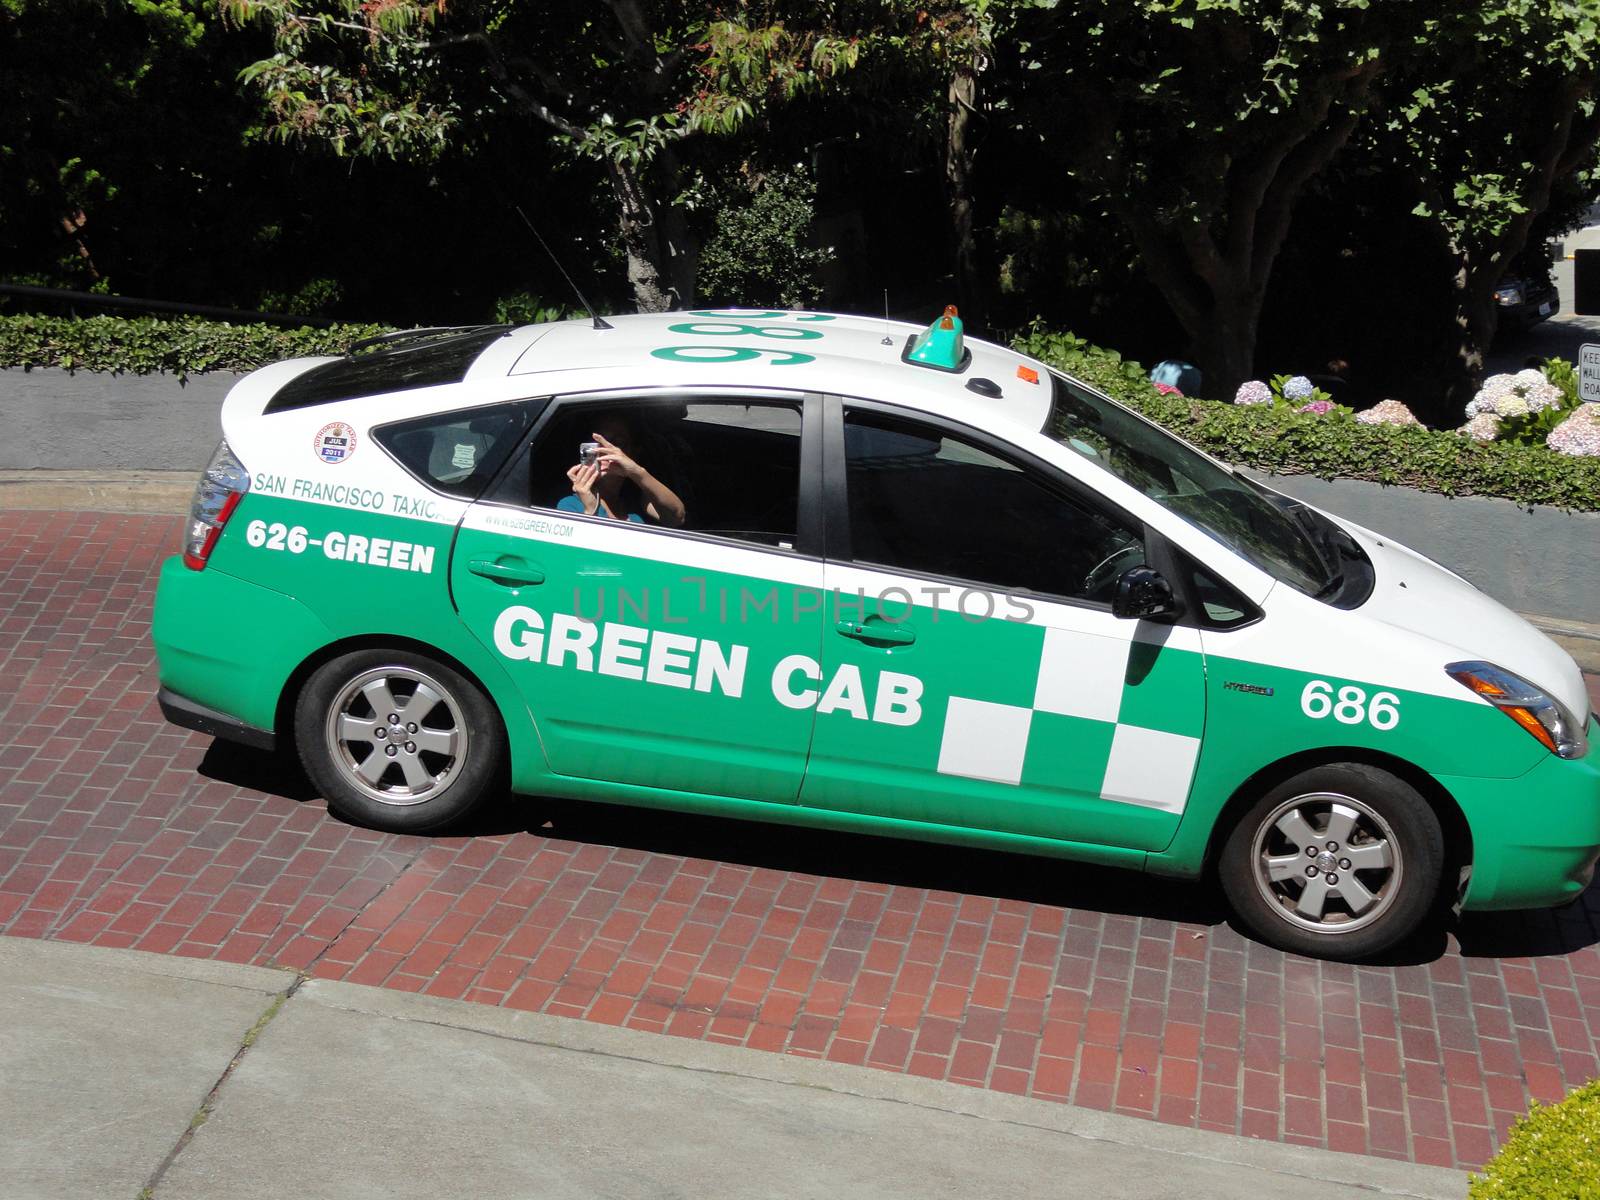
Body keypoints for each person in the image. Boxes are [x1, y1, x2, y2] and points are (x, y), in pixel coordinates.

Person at [559, 417, 686, 527]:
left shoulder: (635, 499)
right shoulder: (570, 505)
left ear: (633, 453)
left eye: (617, 443)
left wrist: (637, 472)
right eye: (597, 444)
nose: (604, 450)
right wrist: (591, 510)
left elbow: (677, 517)